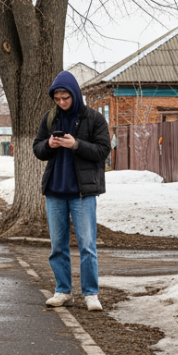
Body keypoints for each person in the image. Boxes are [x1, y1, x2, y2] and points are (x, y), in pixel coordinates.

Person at [32, 70, 111, 312]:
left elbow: (103, 151)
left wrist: (75, 144)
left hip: (82, 193)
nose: (61, 103)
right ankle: (63, 290)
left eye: (65, 98)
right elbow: (37, 149)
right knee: (58, 246)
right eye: (57, 99)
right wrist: (50, 144)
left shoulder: (94, 118)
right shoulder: (50, 118)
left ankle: (90, 294)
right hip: (55, 191)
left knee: (87, 245)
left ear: (75, 95)